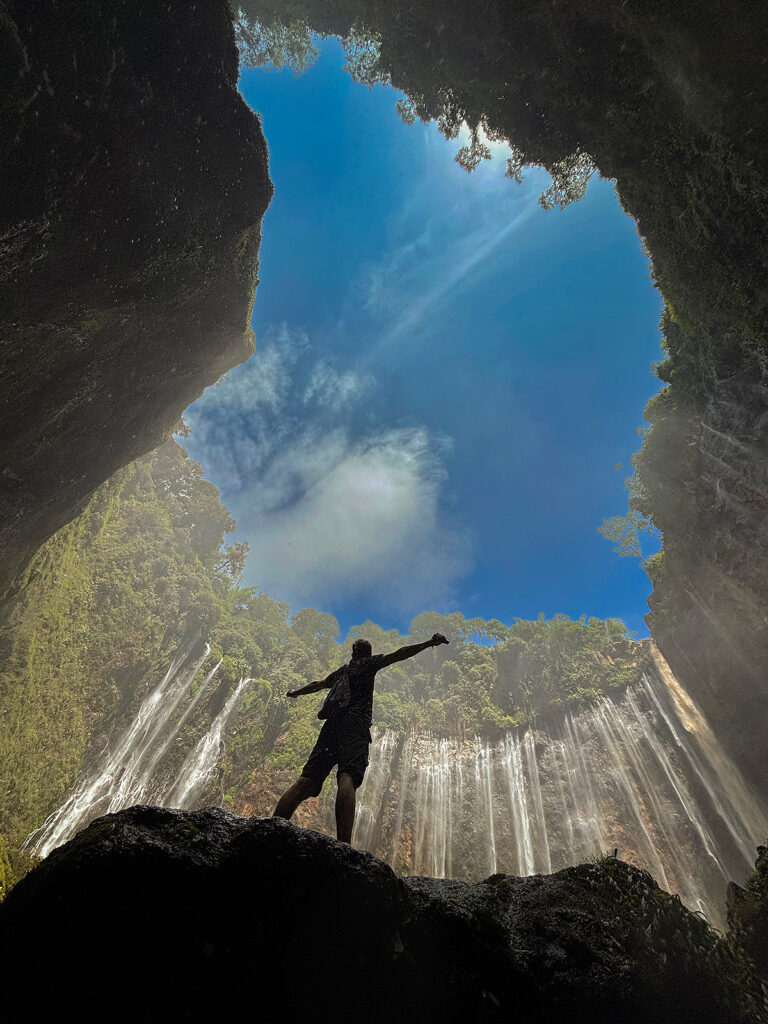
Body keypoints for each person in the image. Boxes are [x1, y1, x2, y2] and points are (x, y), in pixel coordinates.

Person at [272, 632, 449, 844]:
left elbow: (317, 684)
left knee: (307, 779)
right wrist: (429, 643)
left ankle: (272, 828)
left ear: (352, 654)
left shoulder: (343, 672)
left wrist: (296, 693)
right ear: (368, 654)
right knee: (347, 777)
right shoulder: (369, 665)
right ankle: (343, 845)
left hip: (332, 726)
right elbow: (399, 654)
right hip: (355, 727)